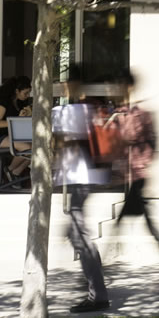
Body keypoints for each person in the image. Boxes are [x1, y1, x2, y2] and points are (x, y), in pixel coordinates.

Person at [53, 68, 110, 313]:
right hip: (88, 176)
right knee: (76, 233)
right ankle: (95, 283)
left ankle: (97, 293)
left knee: (79, 235)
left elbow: (59, 144)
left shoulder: (67, 111)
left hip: (79, 178)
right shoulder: (90, 109)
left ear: (70, 83)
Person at [109, 70, 159, 266]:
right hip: (129, 173)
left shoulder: (141, 114)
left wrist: (143, 164)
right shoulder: (121, 113)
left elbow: (152, 141)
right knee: (144, 219)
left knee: (123, 220)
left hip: (138, 173)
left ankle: (103, 263)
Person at [0, 75, 32, 180]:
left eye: (29, 93)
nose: (27, 96)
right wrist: (16, 120)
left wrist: (27, 114)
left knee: (37, 148)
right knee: (28, 148)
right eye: (25, 93)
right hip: (1, 135)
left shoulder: (19, 103)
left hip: (10, 134)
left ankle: (14, 172)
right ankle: (10, 170)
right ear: (17, 91)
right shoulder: (4, 102)